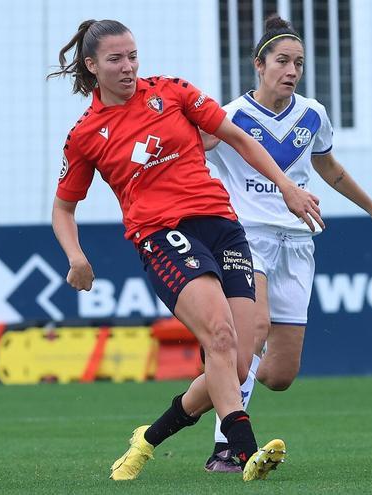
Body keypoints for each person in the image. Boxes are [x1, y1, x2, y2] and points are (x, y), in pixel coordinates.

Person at [47, 19, 324, 482]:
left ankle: (148, 439)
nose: (129, 66)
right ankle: (243, 451)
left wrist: (285, 188)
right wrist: (75, 257)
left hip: (223, 226)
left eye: (133, 55)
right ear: (92, 66)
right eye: (115, 59)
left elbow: (237, 136)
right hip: (162, 235)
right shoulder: (85, 135)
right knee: (218, 336)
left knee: (234, 368)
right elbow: (63, 209)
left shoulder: (173, 91)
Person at [200, 14, 372, 472]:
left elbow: (329, 169)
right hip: (246, 238)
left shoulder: (312, 114)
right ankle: (227, 446)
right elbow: (189, 152)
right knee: (250, 333)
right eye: (282, 60)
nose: (292, 70)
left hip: (298, 243)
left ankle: (200, 395)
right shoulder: (230, 117)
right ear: (259, 64)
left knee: (279, 375)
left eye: (298, 62)